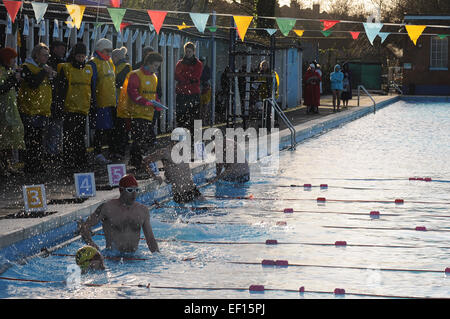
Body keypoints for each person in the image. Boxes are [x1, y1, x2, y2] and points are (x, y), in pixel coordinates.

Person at [80, 174, 160, 254]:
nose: (134, 194)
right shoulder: (107, 208)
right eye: (130, 190)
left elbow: (150, 239)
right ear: (121, 190)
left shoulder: (143, 210)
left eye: (136, 190)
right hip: (112, 258)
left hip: (135, 258)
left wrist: (158, 258)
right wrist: (93, 246)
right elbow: (84, 227)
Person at [117, 52, 163, 174]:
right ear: (148, 63)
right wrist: (146, 102)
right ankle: (137, 163)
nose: (155, 69)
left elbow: (154, 94)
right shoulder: (135, 74)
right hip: (136, 113)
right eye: (154, 66)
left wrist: (158, 103)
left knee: (146, 139)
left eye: (157, 66)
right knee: (139, 138)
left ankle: (136, 162)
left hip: (148, 114)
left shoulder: (154, 77)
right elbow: (132, 93)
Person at [18, 43, 56, 175]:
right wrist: (44, 72)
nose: (46, 58)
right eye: (44, 55)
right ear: (36, 55)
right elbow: (33, 83)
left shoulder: (43, 68)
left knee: (40, 140)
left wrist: (51, 75)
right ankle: (30, 165)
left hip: (42, 110)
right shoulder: (27, 67)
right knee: (31, 139)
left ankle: (38, 164)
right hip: (30, 110)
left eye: (47, 55)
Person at [56, 43, 93, 172]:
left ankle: (80, 159)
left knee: (80, 136)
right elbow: (60, 89)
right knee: (69, 136)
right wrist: (60, 104)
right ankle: (68, 161)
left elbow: (91, 88)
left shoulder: (89, 69)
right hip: (70, 107)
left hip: (83, 108)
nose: (81, 59)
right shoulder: (66, 68)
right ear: (74, 56)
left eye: (83, 56)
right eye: (78, 56)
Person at [142, 139, 205, 204]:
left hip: (192, 189)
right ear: (173, 142)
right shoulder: (165, 152)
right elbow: (145, 161)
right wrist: (154, 176)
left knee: (206, 205)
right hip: (179, 193)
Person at [88, 38, 116, 165]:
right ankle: (97, 153)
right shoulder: (94, 63)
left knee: (110, 129)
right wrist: (93, 101)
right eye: (107, 50)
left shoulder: (109, 62)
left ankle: (110, 152)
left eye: (111, 50)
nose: (109, 53)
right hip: (100, 102)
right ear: (100, 50)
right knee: (99, 129)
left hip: (110, 102)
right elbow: (92, 84)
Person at [0, 47, 25, 177]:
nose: (14, 61)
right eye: (12, 58)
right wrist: (12, 80)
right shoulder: (1, 71)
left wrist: (17, 79)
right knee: (3, 139)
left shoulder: (8, 70)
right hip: (2, 109)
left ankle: (8, 165)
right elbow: (2, 88)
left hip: (10, 109)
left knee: (10, 138)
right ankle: (3, 166)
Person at [44, 41, 66, 165]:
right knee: (52, 127)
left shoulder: (62, 62)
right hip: (52, 99)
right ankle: (51, 152)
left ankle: (54, 151)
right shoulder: (52, 63)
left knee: (56, 127)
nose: (63, 50)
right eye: (60, 48)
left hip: (57, 99)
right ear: (55, 48)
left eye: (64, 48)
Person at [175, 42, 203, 137]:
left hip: (192, 93)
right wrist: (188, 79)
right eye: (186, 52)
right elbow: (177, 75)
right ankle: (182, 135)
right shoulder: (180, 63)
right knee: (181, 116)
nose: (188, 53)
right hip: (184, 92)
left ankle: (195, 136)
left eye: (190, 52)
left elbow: (195, 77)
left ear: (193, 52)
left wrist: (184, 78)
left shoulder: (197, 64)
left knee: (194, 116)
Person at [111, 46, 132, 161]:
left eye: (113, 57)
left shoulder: (126, 67)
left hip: (122, 102)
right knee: (116, 128)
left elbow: (119, 81)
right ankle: (116, 150)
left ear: (117, 57)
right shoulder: (115, 67)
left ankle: (121, 150)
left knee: (121, 128)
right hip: (115, 101)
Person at [199, 56, 211, 126]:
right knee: (200, 107)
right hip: (201, 88)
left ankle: (203, 120)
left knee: (205, 106)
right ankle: (201, 120)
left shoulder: (206, 69)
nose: (202, 63)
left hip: (206, 89)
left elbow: (208, 77)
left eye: (203, 61)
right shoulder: (198, 68)